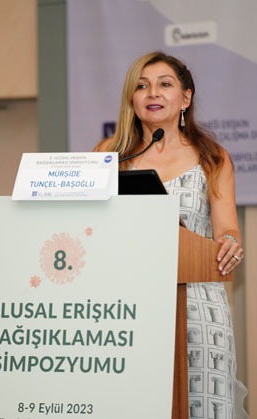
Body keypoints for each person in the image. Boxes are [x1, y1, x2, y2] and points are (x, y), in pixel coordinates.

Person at [96, 52, 248, 418]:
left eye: (165, 84)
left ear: (185, 98)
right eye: (142, 85)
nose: (153, 92)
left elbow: (227, 228)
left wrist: (230, 243)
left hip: (197, 305)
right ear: (132, 99)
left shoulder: (212, 157)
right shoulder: (108, 155)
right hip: (128, 304)